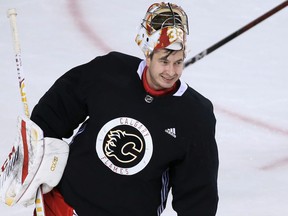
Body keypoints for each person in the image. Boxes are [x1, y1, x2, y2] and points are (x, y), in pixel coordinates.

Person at [30, 2, 219, 215]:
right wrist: (34, 147)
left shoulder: (196, 115)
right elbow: (57, 108)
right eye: (164, 61)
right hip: (63, 207)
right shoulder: (109, 72)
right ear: (148, 55)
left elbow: (199, 195)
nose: (171, 71)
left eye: (178, 62)